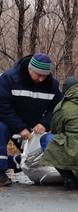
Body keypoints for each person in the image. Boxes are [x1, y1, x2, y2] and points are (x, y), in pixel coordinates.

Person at [0, 53, 62, 186]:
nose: (41, 79)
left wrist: (44, 123)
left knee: (35, 160)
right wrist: (19, 128)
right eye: (38, 75)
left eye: (45, 76)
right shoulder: (8, 78)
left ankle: (16, 161)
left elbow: (58, 108)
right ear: (29, 69)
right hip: (7, 121)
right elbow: (2, 106)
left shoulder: (52, 85)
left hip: (32, 125)